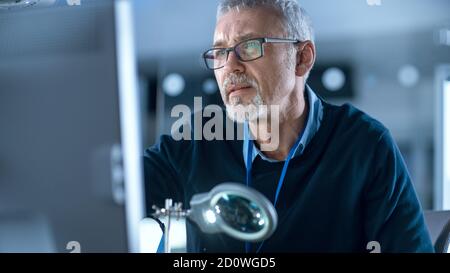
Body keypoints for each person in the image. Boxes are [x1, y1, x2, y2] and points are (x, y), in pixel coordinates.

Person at [143, 0, 434, 253]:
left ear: (302, 58)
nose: (230, 66)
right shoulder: (196, 140)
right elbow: (110, 201)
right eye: (220, 52)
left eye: (249, 47)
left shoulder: (364, 146)